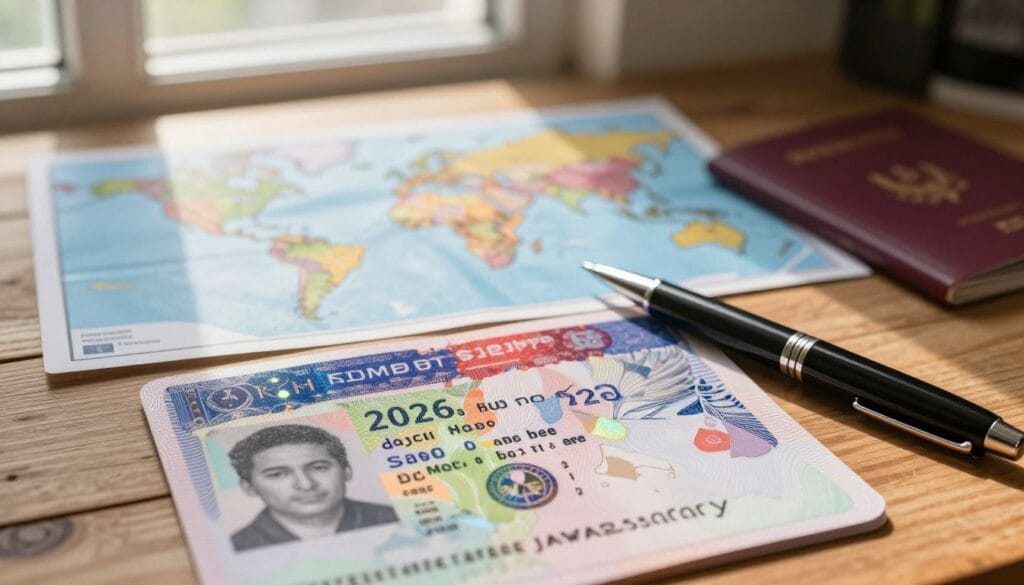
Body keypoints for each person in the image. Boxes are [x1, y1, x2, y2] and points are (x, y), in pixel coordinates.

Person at [228, 424, 397, 552]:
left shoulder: (395, 519)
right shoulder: (238, 546)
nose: (306, 485)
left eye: (319, 467)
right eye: (277, 474)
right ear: (249, 487)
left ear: (346, 471)